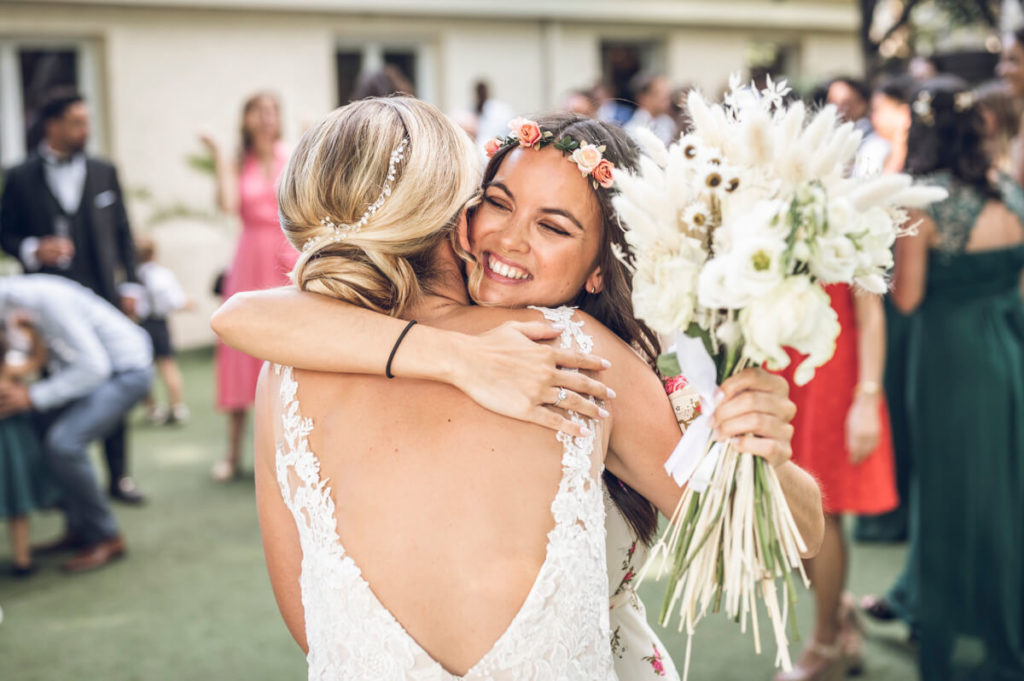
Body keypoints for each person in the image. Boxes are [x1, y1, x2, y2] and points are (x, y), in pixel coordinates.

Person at [214, 101, 825, 679]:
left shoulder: (287, 368)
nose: (507, 240)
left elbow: (309, 623)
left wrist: (763, 449)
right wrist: (460, 357)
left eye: (553, 226)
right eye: (496, 203)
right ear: (456, 215)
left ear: (599, 266)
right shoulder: (573, 351)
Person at [868, 76, 1024, 680]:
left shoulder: (925, 205)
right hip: (1007, 349)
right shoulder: (1009, 192)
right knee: (1004, 487)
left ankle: (943, 617)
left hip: (949, 360)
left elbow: (907, 300)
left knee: (948, 493)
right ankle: (995, 613)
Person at [0, 89, 145, 504]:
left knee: (112, 380)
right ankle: (64, 489)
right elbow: (5, 233)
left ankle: (119, 478)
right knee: (62, 387)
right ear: (53, 126)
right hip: (43, 308)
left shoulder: (104, 170)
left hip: (100, 292)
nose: (86, 129)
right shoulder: (21, 175)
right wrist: (32, 248)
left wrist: (131, 284)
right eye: (77, 122)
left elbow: (123, 231)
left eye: (87, 121)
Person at [773, 285, 898, 681]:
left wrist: (867, 399)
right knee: (774, 511)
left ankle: (826, 640)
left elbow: (871, 311)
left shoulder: (853, 219)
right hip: (770, 361)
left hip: (830, 371)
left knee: (821, 511)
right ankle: (837, 607)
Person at [0, 274, 152, 573]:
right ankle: (79, 529)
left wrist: (32, 396)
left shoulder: (45, 301)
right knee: (44, 431)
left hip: (127, 372)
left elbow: (94, 367)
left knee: (64, 445)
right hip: (101, 374)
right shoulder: (21, 299)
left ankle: (107, 536)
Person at [199, 92, 296, 482]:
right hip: (248, 259)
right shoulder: (238, 162)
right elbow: (226, 205)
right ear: (247, 118)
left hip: (284, 257)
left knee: (285, 350)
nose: (268, 117)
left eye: (274, 110)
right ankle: (233, 452)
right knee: (240, 351)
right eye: (260, 110)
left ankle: (288, 452)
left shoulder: (291, 154)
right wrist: (220, 157)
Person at [0, 314, 59, 577]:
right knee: (16, 500)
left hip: (11, 444)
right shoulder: (8, 371)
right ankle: (22, 560)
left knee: (15, 500)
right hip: (12, 445)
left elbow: (37, 360)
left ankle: (23, 560)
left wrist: (33, 331)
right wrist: (33, 331)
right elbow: (38, 360)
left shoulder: (8, 370)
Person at [133, 235, 190, 425]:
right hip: (158, 323)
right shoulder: (162, 274)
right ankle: (177, 406)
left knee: (144, 367)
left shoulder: (132, 277)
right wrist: (187, 304)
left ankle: (153, 408)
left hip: (140, 324)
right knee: (167, 365)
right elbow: (174, 300)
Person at [827, 77, 890, 177]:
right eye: (832, 102)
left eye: (845, 104)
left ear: (862, 104)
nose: (837, 110)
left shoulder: (875, 144)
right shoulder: (828, 139)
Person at [624, 72, 677, 145]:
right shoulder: (632, 130)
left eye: (667, 93)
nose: (666, 97)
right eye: (659, 93)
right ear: (643, 98)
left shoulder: (669, 123)